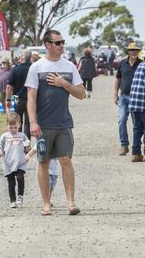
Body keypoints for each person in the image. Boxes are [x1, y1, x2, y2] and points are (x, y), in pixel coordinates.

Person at [26, 29, 85, 216]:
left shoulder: (69, 66)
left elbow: (81, 94)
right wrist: (33, 122)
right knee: (43, 162)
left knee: (66, 160)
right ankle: (46, 203)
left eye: (62, 42)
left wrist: (64, 84)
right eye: (58, 43)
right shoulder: (36, 67)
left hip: (64, 123)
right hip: (43, 125)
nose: (61, 46)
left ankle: (71, 203)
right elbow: (31, 98)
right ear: (47, 45)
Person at [114, 42, 142, 156]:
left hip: (137, 98)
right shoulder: (122, 63)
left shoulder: (142, 64)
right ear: (128, 52)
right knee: (121, 120)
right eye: (132, 50)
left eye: (136, 50)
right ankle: (124, 145)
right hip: (124, 97)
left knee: (137, 123)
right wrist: (115, 93)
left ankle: (137, 142)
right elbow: (118, 78)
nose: (134, 52)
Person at [0, 113, 29, 209]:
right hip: (9, 163)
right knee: (11, 182)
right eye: (11, 127)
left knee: (20, 177)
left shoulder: (22, 136)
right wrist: (0, 151)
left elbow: (27, 146)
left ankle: (20, 196)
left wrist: (28, 148)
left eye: (15, 127)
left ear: (19, 125)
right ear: (7, 126)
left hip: (20, 162)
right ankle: (12, 200)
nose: (13, 130)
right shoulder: (4, 136)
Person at [6, 50, 33, 138]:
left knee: (17, 121)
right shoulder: (34, 68)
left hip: (18, 99)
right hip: (31, 99)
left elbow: (9, 86)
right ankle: (26, 142)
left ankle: (18, 140)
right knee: (28, 123)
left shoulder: (16, 69)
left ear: (22, 58)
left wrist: (8, 99)